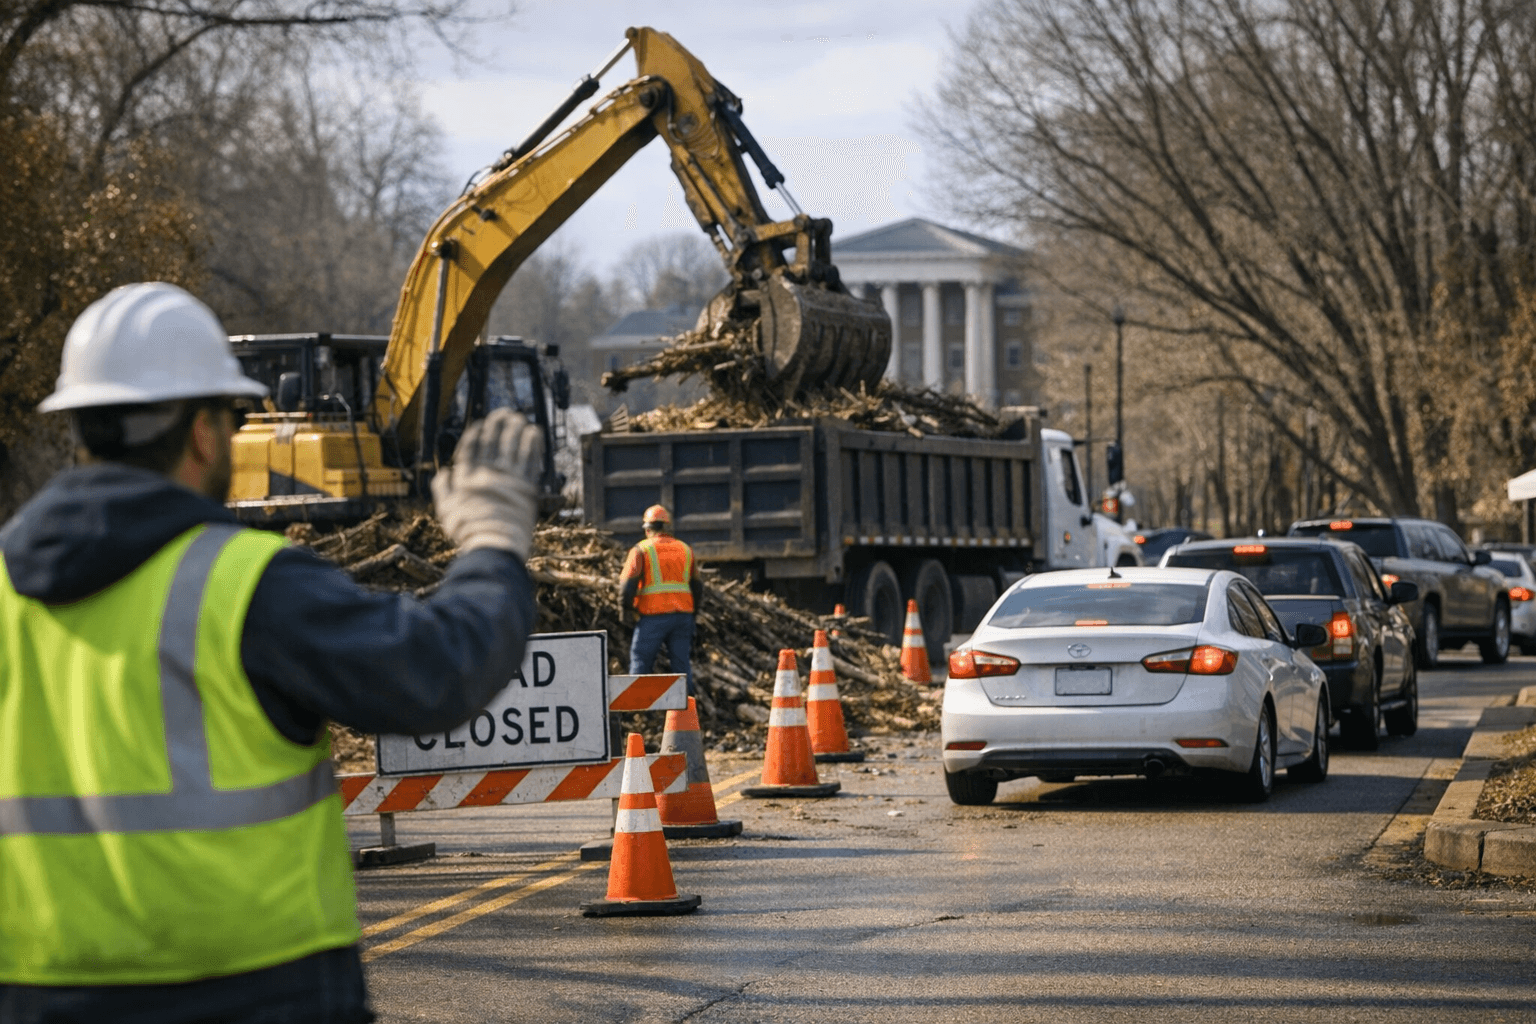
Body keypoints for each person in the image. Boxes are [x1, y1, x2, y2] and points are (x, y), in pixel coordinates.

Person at [0, 282, 544, 1023]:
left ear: (80, 431)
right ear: (201, 432)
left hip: (37, 996)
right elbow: (436, 671)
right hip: (252, 993)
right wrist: (490, 545)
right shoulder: (244, 585)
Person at [619, 504, 703, 695]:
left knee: (641, 660)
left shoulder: (641, 550)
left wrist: (625, 610)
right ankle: (687, 712)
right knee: (682, 666)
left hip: (653, 616)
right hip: (683, 616)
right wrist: (693, 613)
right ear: (667, 527)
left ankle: (637, 709)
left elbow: (627, 586)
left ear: (648, 529)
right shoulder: (685, 549)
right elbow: (697, 586)